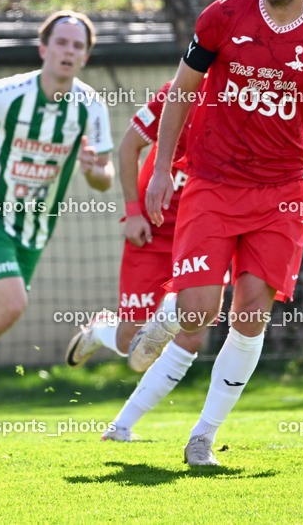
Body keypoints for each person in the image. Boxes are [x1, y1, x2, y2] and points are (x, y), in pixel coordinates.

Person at [128, 0, 303, 466]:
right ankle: (170, 315)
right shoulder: (223, 16)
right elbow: (182, 92)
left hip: (281, 194)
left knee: (251, 313)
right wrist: (160, 169)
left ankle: (203, 437)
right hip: (212, 182)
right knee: (199, 312)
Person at [0, 11, 116, 429]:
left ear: (85, 56)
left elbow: (105, 176)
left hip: (36, 229)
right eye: (61, 42)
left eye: (77, 46)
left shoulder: (91, 107)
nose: (68, 51)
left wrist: (92, 171)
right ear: (43, 48)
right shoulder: (6, 92)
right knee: (12, 304)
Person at [64, 81, 210, 441]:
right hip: (154, 230)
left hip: (204, 233)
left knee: (192, 334)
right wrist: (133, 212)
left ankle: (121, 426)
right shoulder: (179, 90)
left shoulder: (245, 94)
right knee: (131, 344)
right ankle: (100, 330)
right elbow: (129, 145)